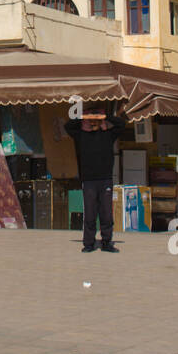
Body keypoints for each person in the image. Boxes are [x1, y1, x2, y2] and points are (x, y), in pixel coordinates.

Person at [64, 104, 130, 253]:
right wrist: (83, 116)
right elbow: (68, 126)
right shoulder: (80, 135)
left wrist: (105, 117)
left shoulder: (108, 134)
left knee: (106, 213)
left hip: (105, 178)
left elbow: (121, 124)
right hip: (88, 180)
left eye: (96, 119)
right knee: (90, 213)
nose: (93, 122)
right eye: (91, 120)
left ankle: (107, 242)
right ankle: (89, 244)